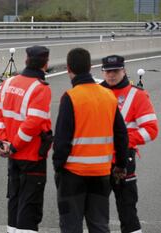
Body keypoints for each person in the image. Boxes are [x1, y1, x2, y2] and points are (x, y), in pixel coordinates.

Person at [53, 48, 129, 233]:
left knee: (71, 225)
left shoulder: (71, 97)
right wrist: (120, 164)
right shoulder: (108, 96)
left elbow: (62, 139)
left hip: (73, 173)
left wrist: (58, 166)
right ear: (91, 67)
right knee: (99, 225)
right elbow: (121, 134)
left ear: (68, 69)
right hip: (102, 173)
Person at [0, 45, 52, 233]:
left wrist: (4, 144)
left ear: (26, 60)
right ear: (45, 64)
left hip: (12, 155)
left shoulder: (8, 83)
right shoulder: (40, 89)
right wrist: (15, 146)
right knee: (30, 206)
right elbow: (32, 124)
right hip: (31, 157)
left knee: (15, 200)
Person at [100, 55, 158, 233]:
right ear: (103, 72)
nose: (111, 75)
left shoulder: (137, 95)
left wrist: (124, 142)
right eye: (108, 71)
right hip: (97, 161)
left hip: (124, 161)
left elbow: (151, 129)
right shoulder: (96, 92)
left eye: (115, 71)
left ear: (124, 70)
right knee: (96, 212)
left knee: (127, 210)